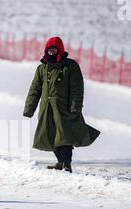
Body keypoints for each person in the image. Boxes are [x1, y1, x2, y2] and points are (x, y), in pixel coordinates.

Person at [23, 36, 100, 173]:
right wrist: (29, 108)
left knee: (65, 136)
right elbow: (35, 89)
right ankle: (60, 162)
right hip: (47, 108)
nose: (51, 53)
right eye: (49, 50)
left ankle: (67, 164)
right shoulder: (42, 68)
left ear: (60, 50)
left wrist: (76, 105)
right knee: (49, 135)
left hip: (65, 109)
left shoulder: (70, 66)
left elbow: (77, 88)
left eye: (54, 50)